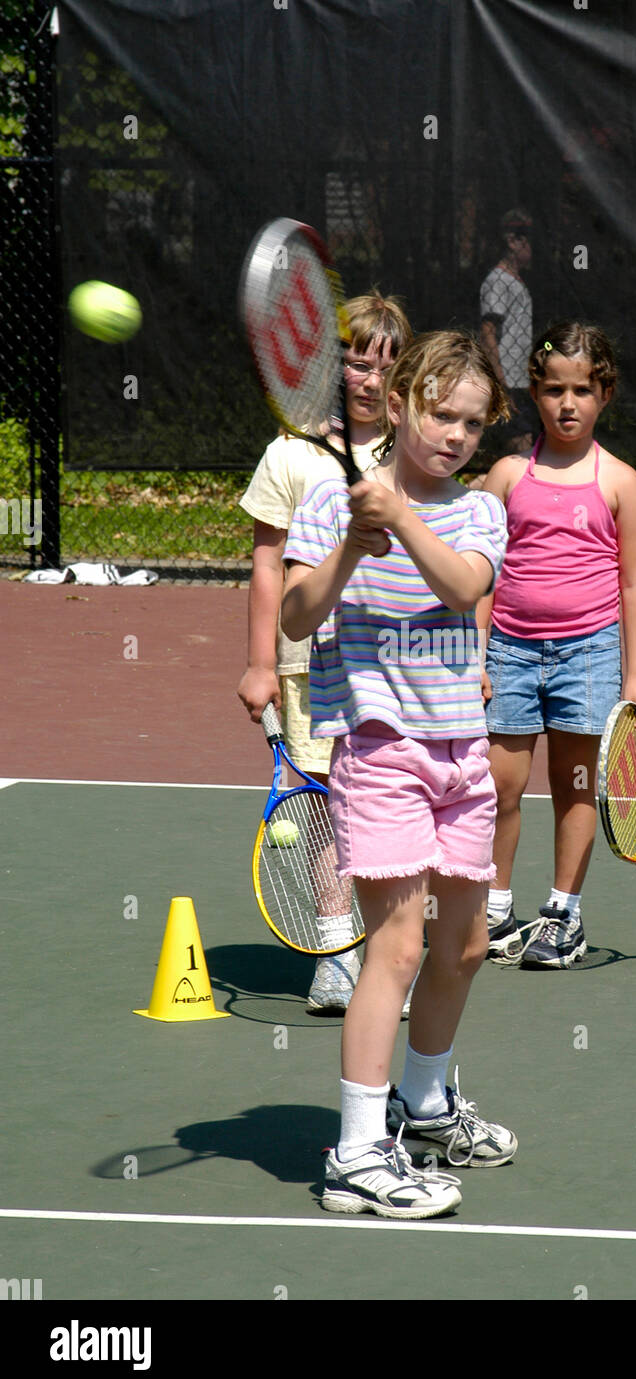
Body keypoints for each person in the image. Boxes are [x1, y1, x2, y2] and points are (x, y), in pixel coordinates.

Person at [281, 331, 516, 1218]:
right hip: (380, 752)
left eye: (471, 421)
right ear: (403, 397)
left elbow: (462, 588)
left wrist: (402, 518)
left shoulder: (480, 511)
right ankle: (355, 1155)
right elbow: (300, 618)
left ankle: (423, 1104)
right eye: (438, 412)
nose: (453, 435)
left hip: (463, 752)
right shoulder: (325, 503)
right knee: (399, 948)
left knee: (464, 946)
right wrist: (350, 541)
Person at [237, 293, 412, 1014]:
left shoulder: (415, 451)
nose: (366, 378)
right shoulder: (288, 453)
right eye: (352, 360)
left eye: (383, 364)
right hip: (308, 662)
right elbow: (266, 563)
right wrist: (258, 663)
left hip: (396, 665)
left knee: (384, 804)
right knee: (322, 808)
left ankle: (388, 955)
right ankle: (336, 954)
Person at [477, 321, 636, 968]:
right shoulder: (503, 477)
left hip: (590, 654)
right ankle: (494, 911)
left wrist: (635, 679)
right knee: (499, 784)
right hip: (511, 653)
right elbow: (479, 575)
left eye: (583, 389)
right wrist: (476, 653)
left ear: (605, 393)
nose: (568, 403)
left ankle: (563, 915)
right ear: (534, 392)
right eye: (555, 389)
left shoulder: (622, 484)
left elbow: (635, 585)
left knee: (575, 785)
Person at [479, 207, 535, 446]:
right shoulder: (498, 281)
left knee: (529, 439)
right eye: (529, 242)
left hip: (521, 379)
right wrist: (500, 378)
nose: (533, 249)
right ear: (513, 242)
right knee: (520, 443)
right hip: (507, 381)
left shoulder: (518, 281)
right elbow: (487, 331)